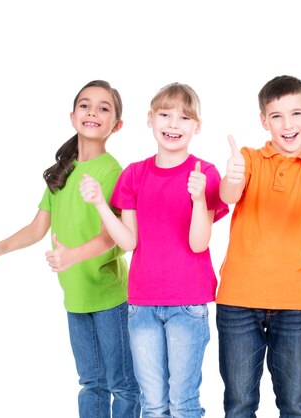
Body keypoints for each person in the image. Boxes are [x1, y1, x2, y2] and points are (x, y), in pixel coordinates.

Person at [0, 80, 141, 418]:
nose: (93, 111)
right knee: (91, 383)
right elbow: (38, 227)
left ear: (117, 125)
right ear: (72, 116)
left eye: (104, 107)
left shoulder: (113, 172)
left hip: (111, 298)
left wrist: (72, 256)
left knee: (122, 383)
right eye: (85, 104)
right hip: (75, 297)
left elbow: (114, 236)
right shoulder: (62, 173)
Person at [80, 82, 229, 418]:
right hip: (141, 306)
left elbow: (199, 243)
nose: (173, 124)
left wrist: (199, 198)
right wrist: (101, 204)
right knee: (154, 405)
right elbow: (129, 241)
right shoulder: (134, 174)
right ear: (150, 119)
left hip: (187, 305)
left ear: (197, 127)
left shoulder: (203, 173)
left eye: (184, 118)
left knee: (182, 404)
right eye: (165, 115)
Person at [216, 74, 301, 417]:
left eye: (296, 114)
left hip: (295, 303)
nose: (288, 124)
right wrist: (233, 175)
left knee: (295, 404)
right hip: (239, 300)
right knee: (239, 404)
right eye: (277, 116)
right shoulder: (249, 159)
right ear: (264, 121)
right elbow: (228, 196)